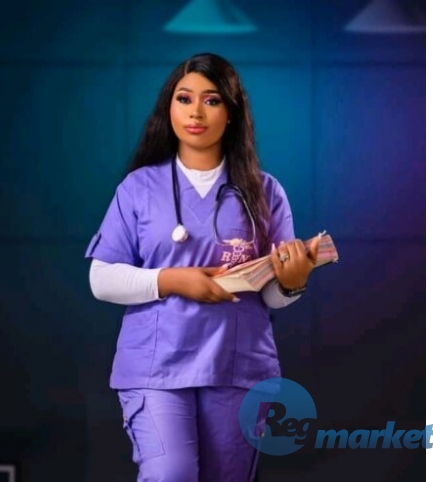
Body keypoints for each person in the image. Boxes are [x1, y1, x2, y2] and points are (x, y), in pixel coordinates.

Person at [85, 52, 320, 482]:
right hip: (156, 367)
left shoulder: (264, 192)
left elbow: (272, 296)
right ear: (168, 108)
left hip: (237, 365)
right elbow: (101, 278)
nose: (196, 112)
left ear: (232, 113)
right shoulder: (138, 188)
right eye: (184, 98)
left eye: (212, 100)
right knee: (170, 474)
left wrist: (292, 283)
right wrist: (174, 280)